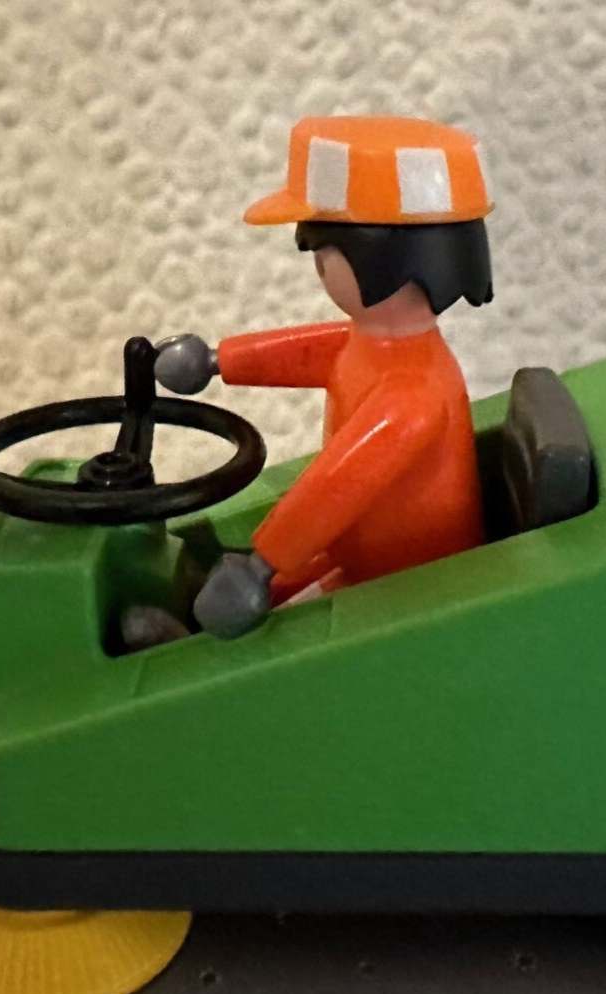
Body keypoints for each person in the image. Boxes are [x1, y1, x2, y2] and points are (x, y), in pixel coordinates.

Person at [155, 115, 495, 639]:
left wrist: (263, 564)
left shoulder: (413, 397)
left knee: (269, 629)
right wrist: (218, 361)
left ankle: (180, 652)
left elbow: (336, 485)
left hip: (402, 583)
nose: (318, 268)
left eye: (323, 255)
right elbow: (313, 352)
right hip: (355, 551)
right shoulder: (378, 349)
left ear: (388, 262)